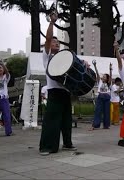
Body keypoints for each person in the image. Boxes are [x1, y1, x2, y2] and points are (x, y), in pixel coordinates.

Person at [39, 12, 77, 155]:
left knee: (67, 120)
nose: (56, 43)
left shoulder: (64, 59)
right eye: (54, 42)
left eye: (58, 42)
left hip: (65, 92)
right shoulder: (47, 57)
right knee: (52, 121)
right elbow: (48, 38)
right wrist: (52, 23)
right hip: (54, 92)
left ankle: (67, 143)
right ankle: (47, 147)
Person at [89, 61, 112, 130]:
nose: (103, 77)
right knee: (98, 111)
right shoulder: (100, 82)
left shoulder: (109, 83)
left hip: (107, 97)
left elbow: (110, 77)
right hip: (100, 96)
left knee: (106, 111)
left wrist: (110, 69)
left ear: (107, 78)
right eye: (103, 76)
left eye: (104, 77)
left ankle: (106, 125)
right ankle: (95, 125)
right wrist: (95, 66)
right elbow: (97, 74)